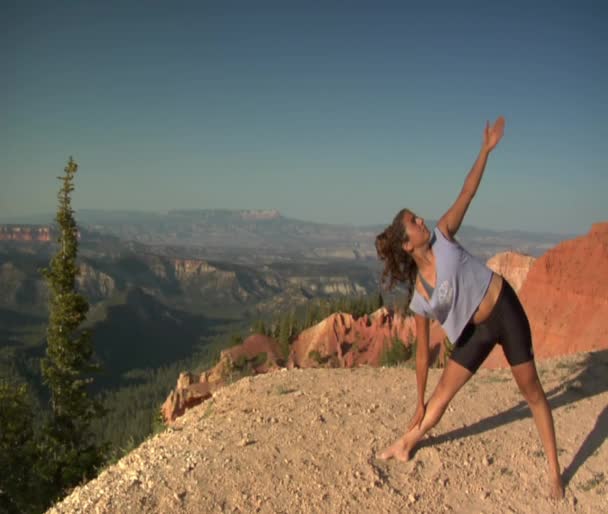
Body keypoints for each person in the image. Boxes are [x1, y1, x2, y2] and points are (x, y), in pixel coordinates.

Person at [374, 117, 564, 499]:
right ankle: (406, 443)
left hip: (504, 311)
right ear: (407, 245)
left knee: (531, 391)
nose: (420, 219)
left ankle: (555, 471)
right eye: (413, 222)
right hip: (475, 333)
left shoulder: (444, 234)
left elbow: (467, 192)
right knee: (441, 397)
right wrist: (418, 402)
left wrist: (485, 150)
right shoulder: (419, 299)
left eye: (416, 217)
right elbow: (422, 356)